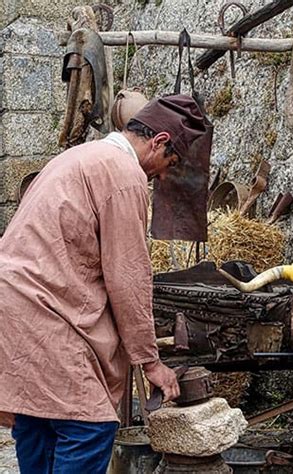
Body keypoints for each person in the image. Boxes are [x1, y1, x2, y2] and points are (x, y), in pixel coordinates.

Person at [0, 94, 207, 473]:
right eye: (168, 162)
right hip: (44, 309)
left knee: (39, 417)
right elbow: (127, 275)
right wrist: (150, 361)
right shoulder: (122, 175)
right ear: (159, 141)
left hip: (13, 303)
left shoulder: (80, 156)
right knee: (88, 424)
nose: (162, 175)